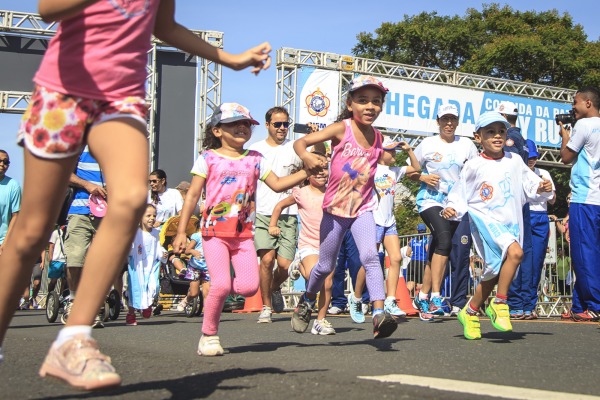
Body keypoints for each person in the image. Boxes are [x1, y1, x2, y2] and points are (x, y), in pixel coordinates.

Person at [0, 0, 272, 389]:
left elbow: (165, 25)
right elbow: (48, 9)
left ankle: (73, 339)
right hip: (62, 92)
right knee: (31, 231)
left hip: (121, 101)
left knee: (129, 201)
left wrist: (229, 58)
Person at [172, 102, 312, 356]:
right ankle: (209, 334)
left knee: (248, 287)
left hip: (243, 235)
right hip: (214, 233)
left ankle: (217, 289)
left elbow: (279, 184)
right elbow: (192, 196)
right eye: (233, 124)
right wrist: (181, 232)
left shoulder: (255, 159)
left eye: (246, 124)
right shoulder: (208, 158)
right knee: (223, 285)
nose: (241, 128)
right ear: (217, 131)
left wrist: (306, 171)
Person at [291, 75, 398, 339]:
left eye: (376, 101)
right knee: (325, 267)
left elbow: (382, 160)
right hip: (335, 212)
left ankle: (379, 313)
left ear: (382, 106)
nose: (369, 106)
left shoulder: (378, 137)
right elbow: (300, 143)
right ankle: (306, 299)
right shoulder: (342, 128)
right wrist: (307, 156)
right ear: (350, 104)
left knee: (371, 257)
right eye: (362, 101)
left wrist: (392, 155)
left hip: (362, 208)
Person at [442, 111, 553, 340]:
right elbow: (459, 192)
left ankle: (470, 311)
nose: (497, 136)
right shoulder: (473, 165)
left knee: (494, 271)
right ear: (478, 137)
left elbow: (531, 184)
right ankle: (500, 304)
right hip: (485, 219)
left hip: (511, 221)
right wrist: (452, 207)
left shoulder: (515, 161)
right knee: (516, 253)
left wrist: (541, 188)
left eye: (501, 131)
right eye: (490, 132)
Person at [409, 103, 479, 321]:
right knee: (444, 240)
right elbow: (409, 170)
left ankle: (422, 295)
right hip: (430, 201)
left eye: (453, 119)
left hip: (456, 205)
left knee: (438, 249)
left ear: (457, 122)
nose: (449, 123)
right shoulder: (427, 144)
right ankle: (437, 297)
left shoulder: (466, 145)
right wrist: (423, 177)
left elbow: (475, 174)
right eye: (445, 119)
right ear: (438, 121)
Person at [349, 137, 421, 318]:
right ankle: (356, 297)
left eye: (395, 150)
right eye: (391, 150)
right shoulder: (372, 168)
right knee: (369, 262)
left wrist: (409, 150)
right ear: (380, 152)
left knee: (396, 258)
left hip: (390, 221)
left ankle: (390, 300)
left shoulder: (395, 171)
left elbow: (417, 168)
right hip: (373, 220)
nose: (394, 153)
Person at [249, 107, 304, 322]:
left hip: (289, 213)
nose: (282, 128)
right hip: (263, 211)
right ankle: (266, 307)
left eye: (285, 124)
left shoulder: (294, 147)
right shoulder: (255, 149)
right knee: (266, 260)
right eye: (277, 124)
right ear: (267, 125)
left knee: (283, 265)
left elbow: (314, 161)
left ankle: (273, 287)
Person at [269, 155, 334, 334]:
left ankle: (321, 321)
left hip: (329, 245)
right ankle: (298, 264)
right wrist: (273, 225)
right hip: (309, 244)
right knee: (315, 275)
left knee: (327, 284)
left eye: (324, 169)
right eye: (316, 170)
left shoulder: (332, 191)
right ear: (306, 174)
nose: (321, 173)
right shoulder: (300, 193)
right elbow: (279, 206)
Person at [558, 86, 600, 322]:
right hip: (596, 198)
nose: (572, 107)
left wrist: (566, 138)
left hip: (585, 198)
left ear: (588, 103)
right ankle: (579, 305)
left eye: (575, 102)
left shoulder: (584, 126)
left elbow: (566, 157)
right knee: (589, 253)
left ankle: (594, 305)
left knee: (584, 254)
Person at [58, 147, 107, 329]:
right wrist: (87, 185)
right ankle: (73, 299)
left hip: (108, 213)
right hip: (80, 210)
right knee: (75, 259)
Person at [496, 101, 536, 320]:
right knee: (523, 250)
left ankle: (514, 302)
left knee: (512, 250)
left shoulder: (510, 139)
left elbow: (508, 169)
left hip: (511, 201)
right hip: (521, 201)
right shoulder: (522, 139)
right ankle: (524, 303)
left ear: (502, 115)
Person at [510, 140, 556, 319]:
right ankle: (515, 303)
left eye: (534, 157)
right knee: (520, 261)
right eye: (528, 157)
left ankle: (530, 305)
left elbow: (552, 199)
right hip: (522, 216)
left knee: (536, 263)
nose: (531, 160)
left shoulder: (543, 173)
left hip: (540, 218)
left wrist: (546, 188)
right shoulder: (516, 173)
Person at [125, 204, 167, 326]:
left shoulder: (156, 233)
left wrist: (163, 254)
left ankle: (147, 305)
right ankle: (131, 314)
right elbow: (130, 248)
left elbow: (158, 247)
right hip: (138, 266)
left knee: (154, 287)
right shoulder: (135, 233)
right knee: (135, 289)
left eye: (154, 215)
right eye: (148, 215)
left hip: (151, 266)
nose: (152, 218)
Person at [176, 220, 210, 313]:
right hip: (195, 267)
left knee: (207, 293)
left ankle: (209, 315)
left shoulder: (214, 237)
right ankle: (186, 300)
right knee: (194, 293)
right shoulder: (197, 236)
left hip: (207, 267)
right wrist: (193, 251)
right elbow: (187, 250)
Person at [0, 149, 21, 257]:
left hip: (3, 243)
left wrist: (5, 243)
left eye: (5, 162)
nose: (2, 164)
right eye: (0, 160)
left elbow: (16, 216)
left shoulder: (13, 185)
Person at [407, 224, 429, 298]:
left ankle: (410, 299)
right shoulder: (425, 240)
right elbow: (427, 250)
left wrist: (414, 256)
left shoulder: (413, 240)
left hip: (412, 263)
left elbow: (407, 253)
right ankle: (420, 300)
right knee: (421, 283)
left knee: (411, 282)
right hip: (421, 262)